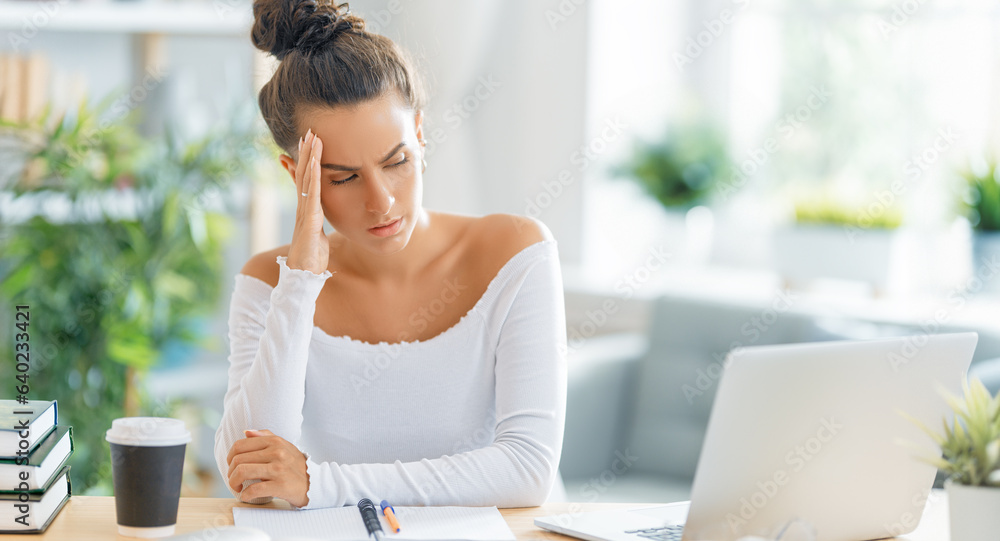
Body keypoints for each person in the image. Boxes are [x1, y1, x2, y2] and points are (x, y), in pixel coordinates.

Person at [214, 0, 568, 510]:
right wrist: (300, 282)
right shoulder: (269, 282)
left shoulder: (516, 253)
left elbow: (527, 469)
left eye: (396, 160)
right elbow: (251, 476)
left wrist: (322, 484)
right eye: (343, 177)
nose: (380, 201)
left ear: (420, 136)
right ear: (297, 176)